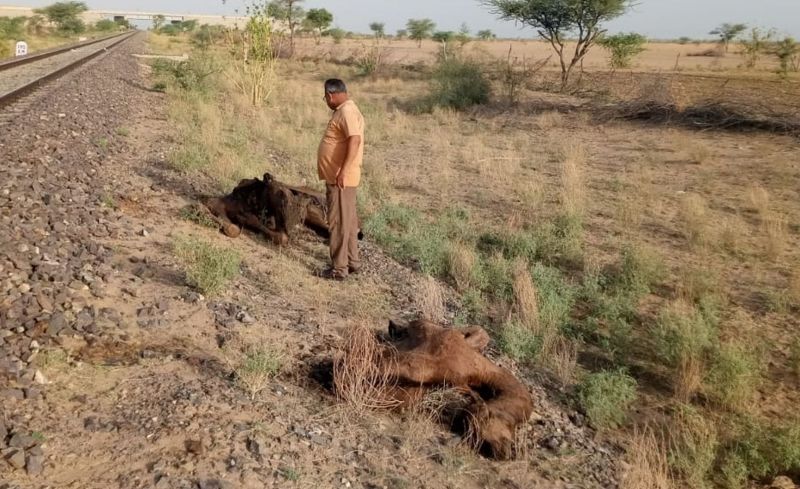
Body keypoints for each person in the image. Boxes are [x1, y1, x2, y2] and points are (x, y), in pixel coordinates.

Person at [317, 79, 364, 281]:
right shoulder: (348, 109)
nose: (326, 100)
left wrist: (343, 171)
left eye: (325, 97)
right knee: (349, 221)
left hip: (341, 179)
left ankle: (339, 268)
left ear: (330, 95)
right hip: (341, 177)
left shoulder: (346, 111)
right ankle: (352, 262)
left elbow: (355, 139)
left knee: (338, 222)